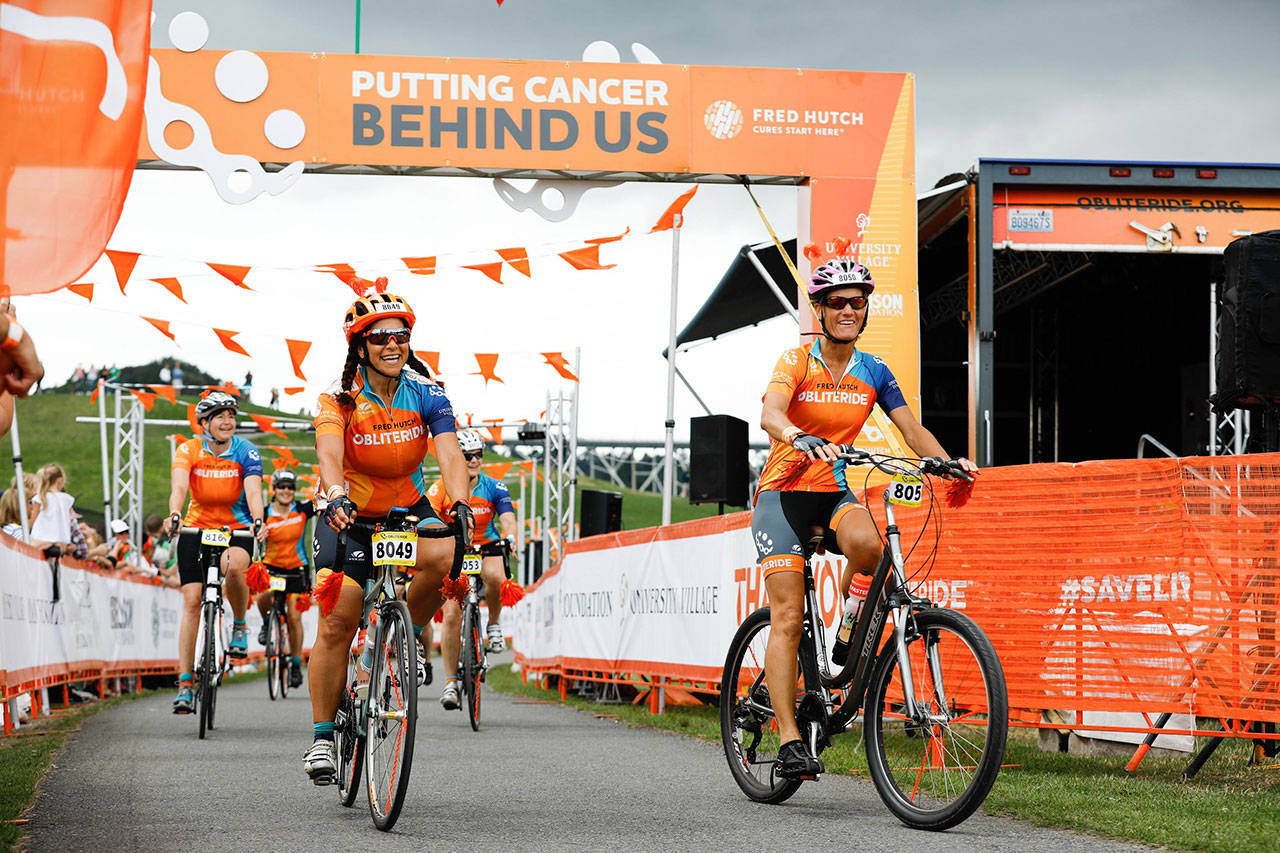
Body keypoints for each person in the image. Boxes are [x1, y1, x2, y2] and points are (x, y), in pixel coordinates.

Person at [752, 259, 977, 779]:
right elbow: (770, 412)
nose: (849, 310)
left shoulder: (874, 371)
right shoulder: (796, 361)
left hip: (832, 491)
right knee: (787, 618)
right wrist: (794, 435)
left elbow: (910, 429)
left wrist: (947, 462)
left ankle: (850, 629)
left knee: (873, 549)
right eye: (838, 301)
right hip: (782, 496)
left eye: (858, 302)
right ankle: (789, 741)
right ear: (820, 310)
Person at [303, 287, 473, 784]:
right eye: (379, 338)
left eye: (400, 335)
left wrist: (459, 501)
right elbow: (329, 454)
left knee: (444, 556)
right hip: (349, 511)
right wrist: (334, 494)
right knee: (338, 619)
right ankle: (320, 738)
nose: (392, 344)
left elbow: (448, 452)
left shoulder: (428, 392)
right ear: (360, 346)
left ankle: (398, 638)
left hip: (407, 506)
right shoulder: (339, 399)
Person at [161, 391, 266, 714]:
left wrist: (259, 519)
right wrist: (175, 514)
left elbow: (253, 490)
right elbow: (179, 487)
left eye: (231, 416)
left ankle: (238, 625)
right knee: (192, 602)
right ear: (204, 423)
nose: (228, 422)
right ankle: (184, 682)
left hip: (235, 528)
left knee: (234, 568)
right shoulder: (188, 449)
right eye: (220, 416)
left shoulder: (246, 450)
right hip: (196, 528)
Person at [427, 429, 517, 710]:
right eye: (467, 456)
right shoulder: (441, 486)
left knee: (496, 575)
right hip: (455, 548)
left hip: (485, 546)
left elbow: (508, 518)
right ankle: (451, 682)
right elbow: (429, 514)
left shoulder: (495, 487)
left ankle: (493, 624)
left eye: (478, 455)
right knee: (452, 614)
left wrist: (511, 536)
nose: (474, 460)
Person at [254, 469, 315, 689]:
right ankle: (265, 624)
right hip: (271, 568)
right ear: (274, 489)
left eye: (290, 487)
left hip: (296, 571)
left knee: (294, 618)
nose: (286, 491)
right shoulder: (264, 512)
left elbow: (322, 500)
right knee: (263, 596)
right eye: (282, 487)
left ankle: (296, 665)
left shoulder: (301, 509)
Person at [29, 463, 75, 554]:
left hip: (41, 537)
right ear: (60, 480)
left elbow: (33, 520)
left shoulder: (40, 497)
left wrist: (26, 528)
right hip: (61, 539)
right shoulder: (67, 499)